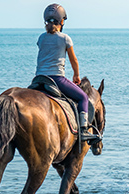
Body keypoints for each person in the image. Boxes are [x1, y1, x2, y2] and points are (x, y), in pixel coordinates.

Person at [32, 3, 99, 142]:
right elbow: (73, 60)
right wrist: (76, 75)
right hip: (56, 78)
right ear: (62, 21)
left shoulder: (41, 38)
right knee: (83, 98)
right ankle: (83, 130)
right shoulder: (64, 38)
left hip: (39, 78)